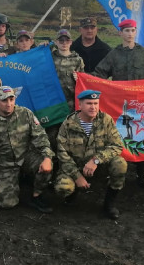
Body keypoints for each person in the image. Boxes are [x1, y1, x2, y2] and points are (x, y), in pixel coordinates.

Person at [93, 19, 144, 187]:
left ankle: (142, 174)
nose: (129, 33)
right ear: (120, 33)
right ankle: (113, 172)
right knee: (118, 137)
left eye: (132, 30)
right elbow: (100, 73)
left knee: (141, 137)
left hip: (141, 104)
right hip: (120, 105)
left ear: (136, 32)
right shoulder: (114, 54)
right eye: (126, 30)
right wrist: (84, 78)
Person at [0, 86, 55, 213]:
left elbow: (40, 136)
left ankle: (36, 195)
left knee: (47, 167)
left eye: (11, 99)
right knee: (7, 204)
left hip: (26, 156)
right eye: (4, 100)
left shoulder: (26, 113)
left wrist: (47, 157)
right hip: (5, 162)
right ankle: (12, 183)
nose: (9, 104)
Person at [54, 90, 127, 219]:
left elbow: (116, 146)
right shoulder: (68, 124)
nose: (93, 107)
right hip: (75, 167)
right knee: (63, 187)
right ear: (80, 105)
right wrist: (77, 176)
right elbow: (62, 154)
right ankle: (72, 193)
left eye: (95, 103)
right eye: (89, 103)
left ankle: (109, 203)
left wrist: (96, 160)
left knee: (120, 164)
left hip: (98, 166)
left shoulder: (106, 120)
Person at [51, 29, 85, 112]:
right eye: (61, 40)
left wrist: (79, 79)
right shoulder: (50, 58)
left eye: (67, 40)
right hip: (54, 101)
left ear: (71, 42)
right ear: (56, 42)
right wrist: (45, 46)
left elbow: (83, 82)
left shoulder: (77, 60)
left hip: (71, 102)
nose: (64, 43)